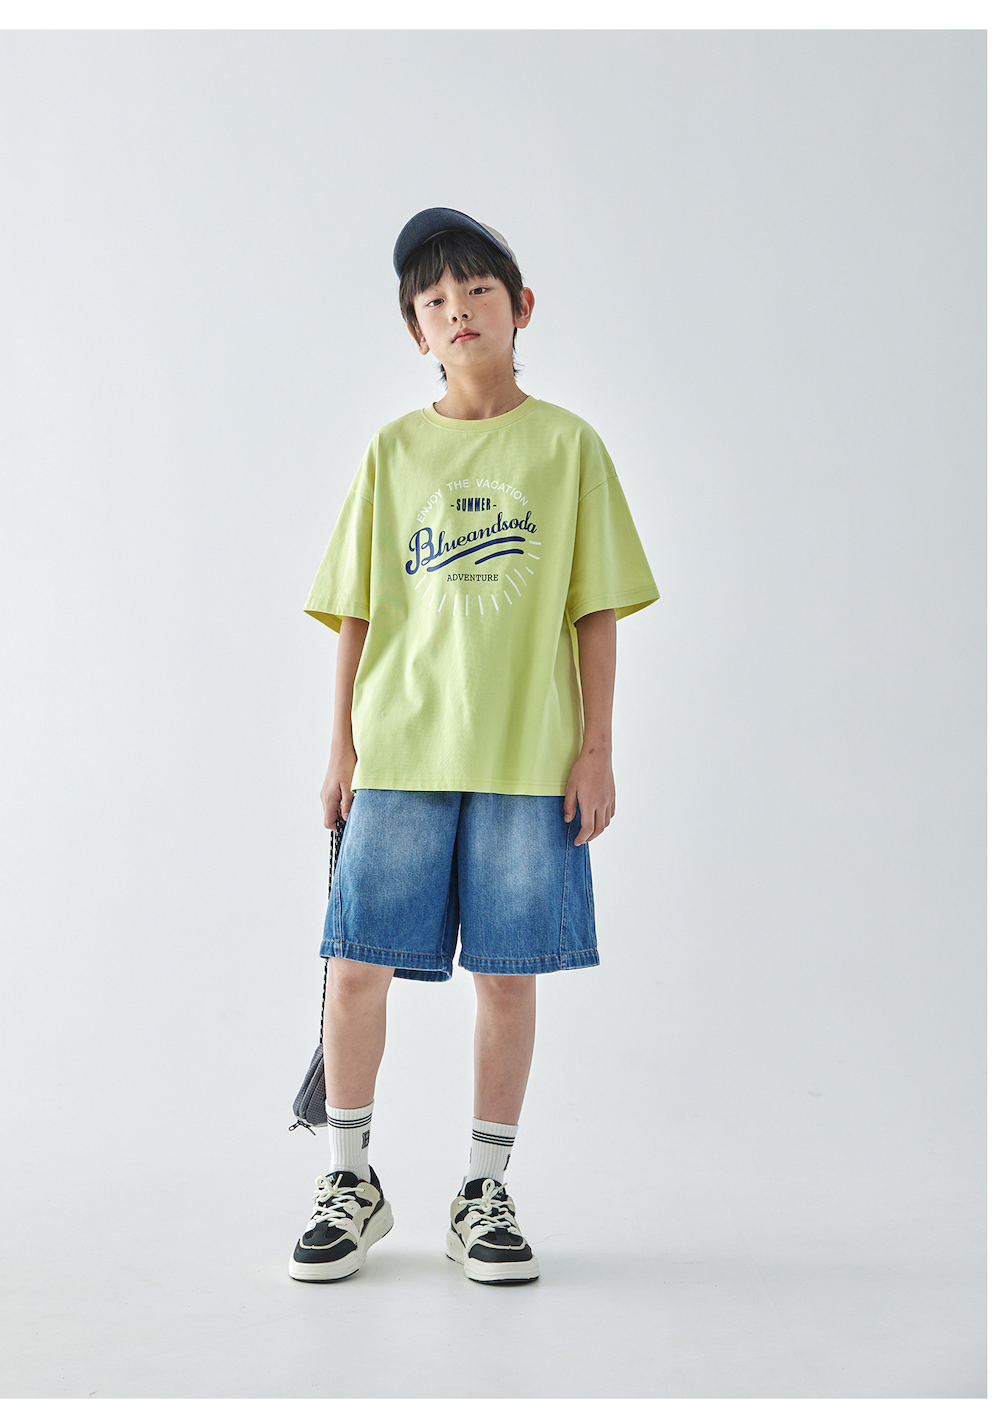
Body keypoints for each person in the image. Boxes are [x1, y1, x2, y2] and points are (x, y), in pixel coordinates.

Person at [289, 207, 659, 1285]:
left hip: (526, 762)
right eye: (434, 300)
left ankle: (483, 1191)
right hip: (400, 754)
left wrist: (596, 750)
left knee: (506, 977)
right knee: (356, 967)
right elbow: (357, 610)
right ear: (416, 331)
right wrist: (338, 749)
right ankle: (349, 1180)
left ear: (520, 307)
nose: (457, 311)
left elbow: (596, 611)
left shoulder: (567, 447)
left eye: (477, 291)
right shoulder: (393, 450)